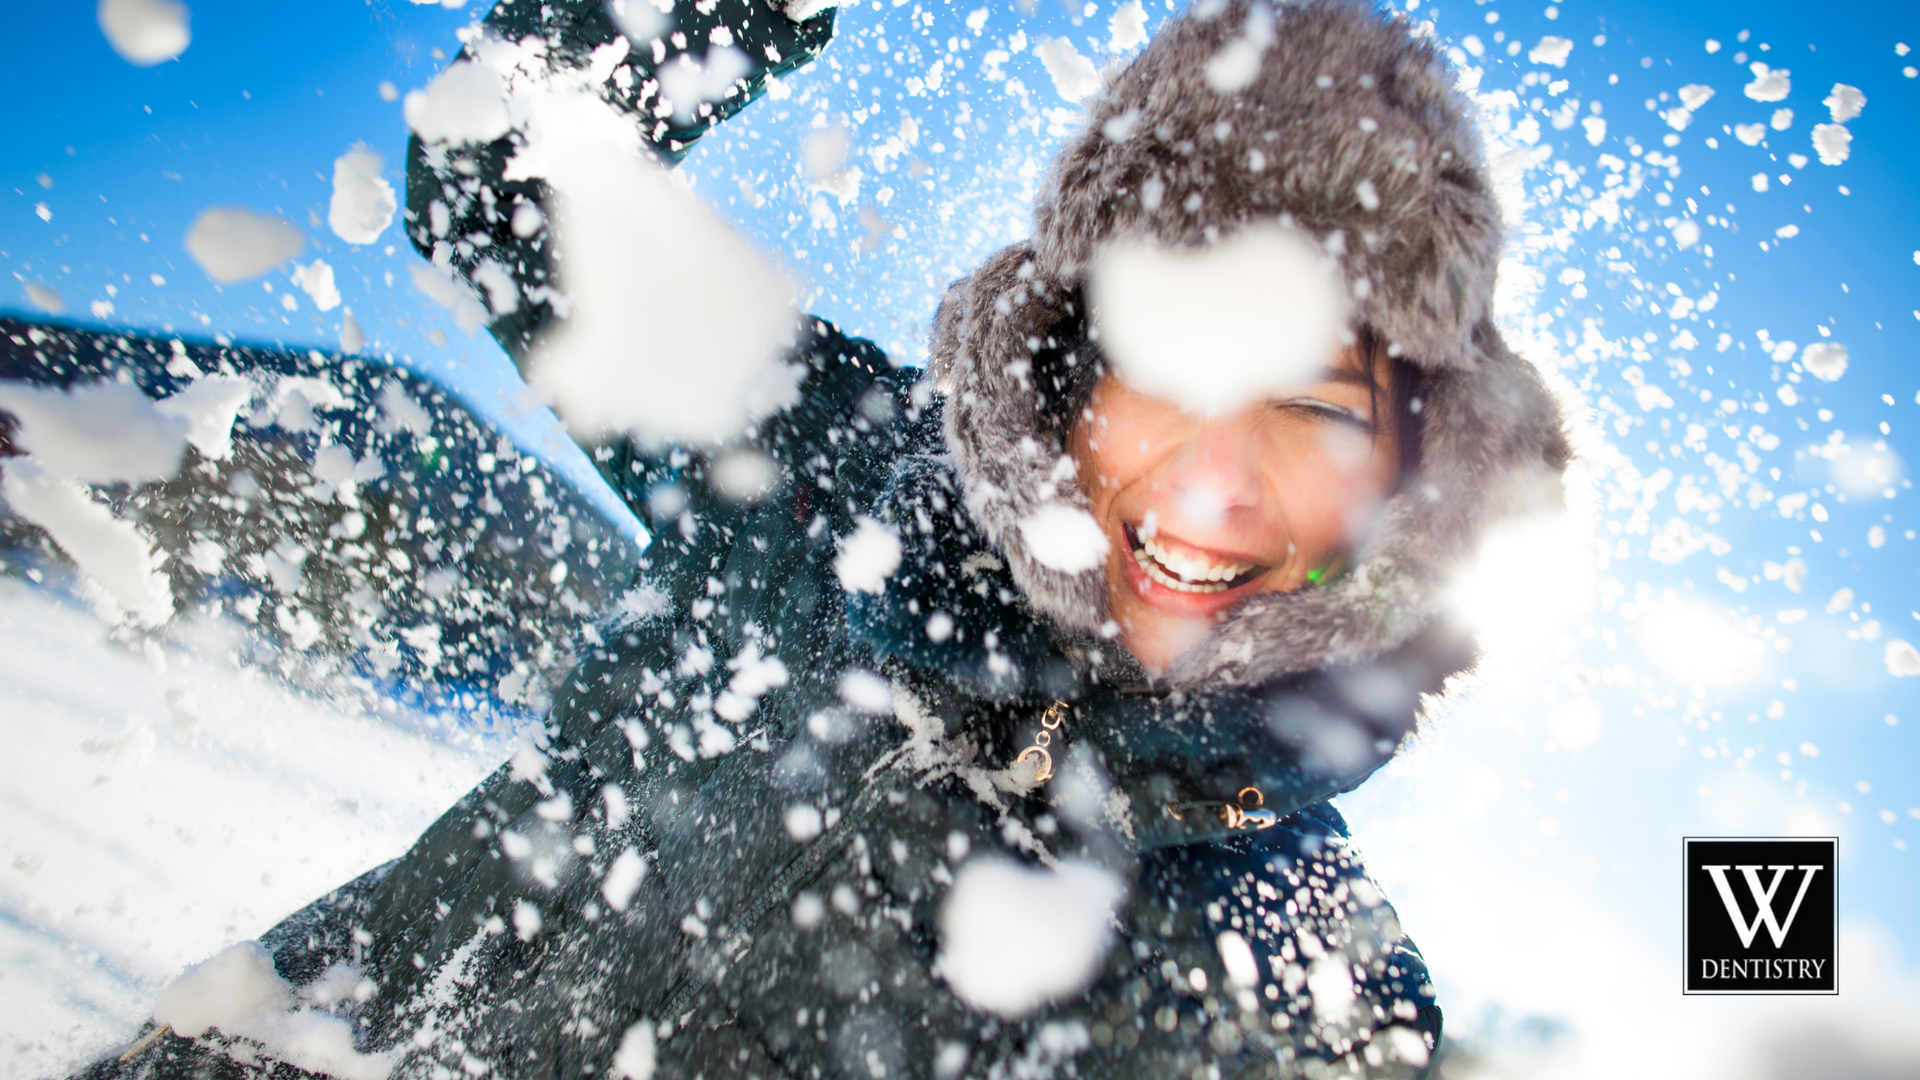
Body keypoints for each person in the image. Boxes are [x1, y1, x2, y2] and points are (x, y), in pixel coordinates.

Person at [84, 0, 1569, 1077]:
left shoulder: (1312, 1003)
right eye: (1169, 368)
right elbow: (508, 173)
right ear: (1072, 362)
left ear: (1418, 465)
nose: (1212, 489)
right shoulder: (836, 478)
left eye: (1312, 407)